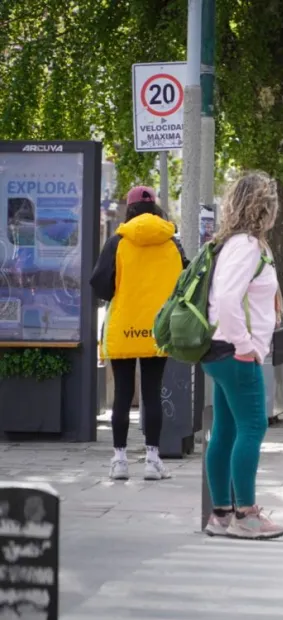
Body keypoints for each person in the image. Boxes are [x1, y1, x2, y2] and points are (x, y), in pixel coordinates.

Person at [201, 171, 283, 540]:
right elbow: (226, 300)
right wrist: (244, 345)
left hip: (219, 350)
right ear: (263, 207)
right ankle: (246, 515)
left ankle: (220, 515)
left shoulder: (232, 244)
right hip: (234, 352)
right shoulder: (246, 246)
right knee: (253, 427)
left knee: (226, 430)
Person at [90, 186, 186, 481]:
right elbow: (185, 280)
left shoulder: (117, 242)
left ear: (129, 209)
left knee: (122, 392)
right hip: (159, 329)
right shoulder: (171, 242)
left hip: (124, 327)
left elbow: (100, 284)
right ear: (155, 208)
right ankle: (153, 460)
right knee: (152, 392)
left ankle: (119, 461)